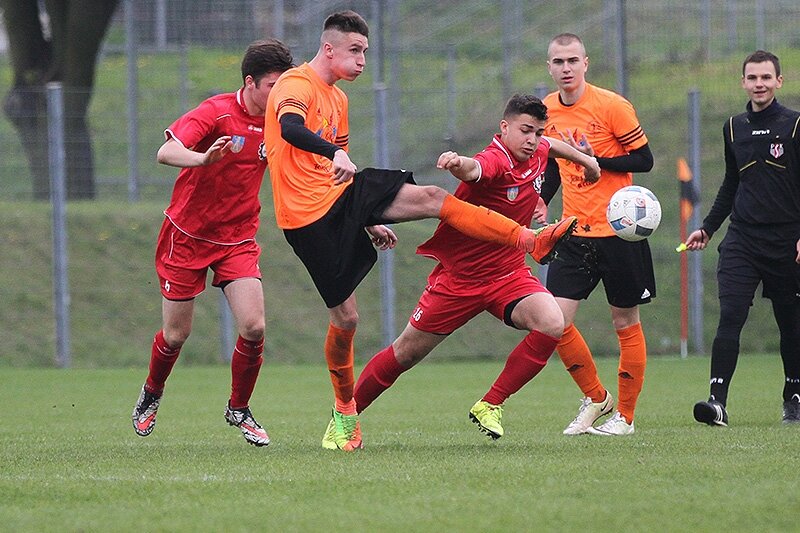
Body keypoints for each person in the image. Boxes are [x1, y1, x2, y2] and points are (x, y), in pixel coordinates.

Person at [264, 11, 577, 452]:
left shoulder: (339, 99)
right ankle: (344, 413)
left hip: (343, 199)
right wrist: (334, 152)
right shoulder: (295, 84)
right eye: (355, 51)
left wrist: (369, 217)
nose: (362, 60)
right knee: (348, 320)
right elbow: (290, 129)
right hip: (305, 219)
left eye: (366, 51)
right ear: (328, 48)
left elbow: (339, 171)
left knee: (431, 196)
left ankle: (530, 241)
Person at [352, 94, 600, 440]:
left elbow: (553, 146)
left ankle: (491, 404)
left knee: (552, 322)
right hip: (460, 279)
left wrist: (588, 162)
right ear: (504, 127)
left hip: (509, 274)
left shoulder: (538, 150)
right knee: (405, 352)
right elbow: (476, 168)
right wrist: (457, 164)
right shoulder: (496, 158)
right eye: (525, 130)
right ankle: (345, 415)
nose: (532, 140)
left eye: (537, 132)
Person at [131, 39, 295, 447]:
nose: (281, 94)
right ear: (250, 82)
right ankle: (152, 392)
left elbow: (309, 171)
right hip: (186, 236)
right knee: (176, 335)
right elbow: (166, 151)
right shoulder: (217, 111)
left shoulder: (281, 121)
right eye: (273, 86)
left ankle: (239, 408)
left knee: (254, 326)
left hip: (237, 238)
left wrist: (367, 221)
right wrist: (202, 159)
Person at [541, 33, 655, 436]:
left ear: (585, 63)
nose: (566, 68)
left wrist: (594, 160)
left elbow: (644, 159)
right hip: (573, 232)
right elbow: (552, 165)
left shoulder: (611, 106)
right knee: (552, 322)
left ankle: (625, 417)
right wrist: (541, 200)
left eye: (572, 60)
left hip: (620, 231)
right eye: (558, 62)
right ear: (549, 67)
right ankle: (596, 397)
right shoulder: (546, 111)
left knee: (625, 321)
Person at [684, 50, 800, 427]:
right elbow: (732, 182)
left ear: (779, 81)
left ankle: (794, 396)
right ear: (743, 82)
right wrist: (708, 227)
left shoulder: (795, 125)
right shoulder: (733, 127)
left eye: (766, 77)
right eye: (752, 78)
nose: (759, 84)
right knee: (731, 315)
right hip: (743, 240)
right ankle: (716, 403)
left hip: (787, 241)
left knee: (791, 323)